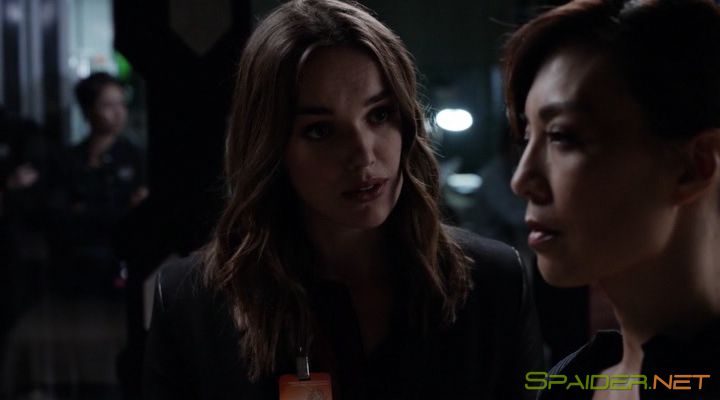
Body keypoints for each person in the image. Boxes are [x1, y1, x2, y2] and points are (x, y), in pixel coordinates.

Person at [142, 0, 544, 399]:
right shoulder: (190, 303)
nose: (363, 155)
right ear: (270, 146)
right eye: (320, 130)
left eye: (379, 115)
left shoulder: (493, 283)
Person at [504, 0, 720, 398]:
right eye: (527, 137)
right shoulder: (572, 381)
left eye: (562, 136)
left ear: (693, 167)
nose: (522, 181)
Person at [62, 72, 148, 294]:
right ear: (88, 111)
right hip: (76, 269)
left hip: (122, 265)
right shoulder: (70, 159)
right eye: (108, 105)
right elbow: (64, 215)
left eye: (121, 104)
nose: (118, 113)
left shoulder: (136, 156)